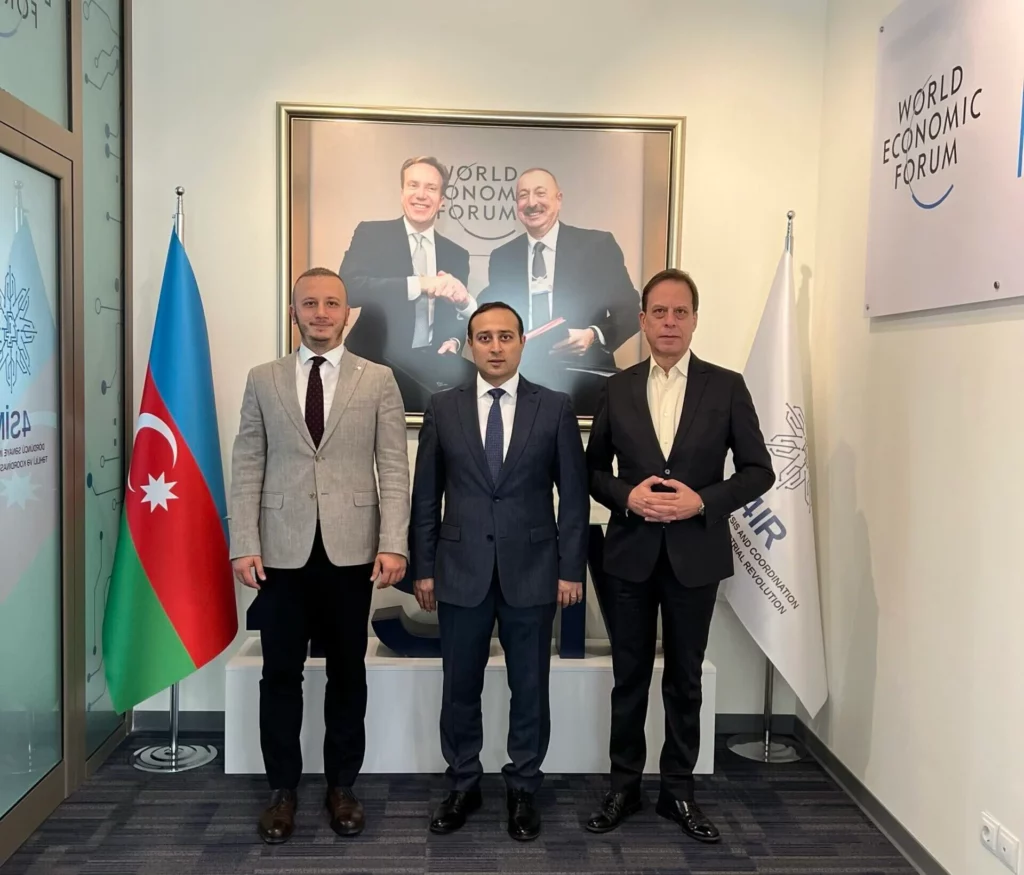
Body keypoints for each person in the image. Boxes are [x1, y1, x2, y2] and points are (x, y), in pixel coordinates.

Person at [584, 268, 775, 843]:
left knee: (685, 679)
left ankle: (678, 792)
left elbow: (759, 470)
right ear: (642, 320)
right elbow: (593, 471)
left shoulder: (727, 385)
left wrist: (702, 501)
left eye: (681, 312)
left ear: (695, 319)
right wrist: (626, 494)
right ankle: (623, 786)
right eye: (659, 313)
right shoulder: (616, 387)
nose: (670, 323)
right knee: (629, 677)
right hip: (630, 555)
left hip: (696, 556)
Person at [228, 267, 410, 844]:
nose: (322, 313)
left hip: (353, 549)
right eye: (310, 303)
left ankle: (341, 788)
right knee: (278, 673)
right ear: (294, 312)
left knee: (347, 673)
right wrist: (244, 543)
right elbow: (248, 463)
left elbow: (394, 469)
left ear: (347, 312)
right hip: (280, 550)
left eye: (333, 303)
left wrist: (393, 541)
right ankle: (282, 791)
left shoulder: (378, 380)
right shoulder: (263, 378)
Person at [410, 301, 589, 841]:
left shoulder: (554, 407)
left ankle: (523, 789)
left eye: (505, 336)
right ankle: (463, 783)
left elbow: (574, 498)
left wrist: (570, 569)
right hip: (459, 570)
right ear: (469, 346)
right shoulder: (442, 408)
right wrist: (423, 567)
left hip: (533, 573)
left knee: (529, 687)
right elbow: (426, 496)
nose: (494, 346)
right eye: (483, 337)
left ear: (521, 343)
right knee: (458, 686)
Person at [478, 168, 639, 412]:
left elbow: (631, 311)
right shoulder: (502, 257)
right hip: (522, 384)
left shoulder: (597, 246)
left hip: (583, 379)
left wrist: (593, 335)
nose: (532, 203)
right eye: (523, 195)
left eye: (540, 193)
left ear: (559, 199)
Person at [339, 155, 477, 410]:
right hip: (372, 364)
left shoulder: (457, 254)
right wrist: (417, 284)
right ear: (402, 192)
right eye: (413, 185)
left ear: (442, 201)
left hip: (429, 373)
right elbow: (349, 288)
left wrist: (454, 341)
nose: (421, 195)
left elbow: (457, 318)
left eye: (431, 188)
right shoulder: (372, 234)